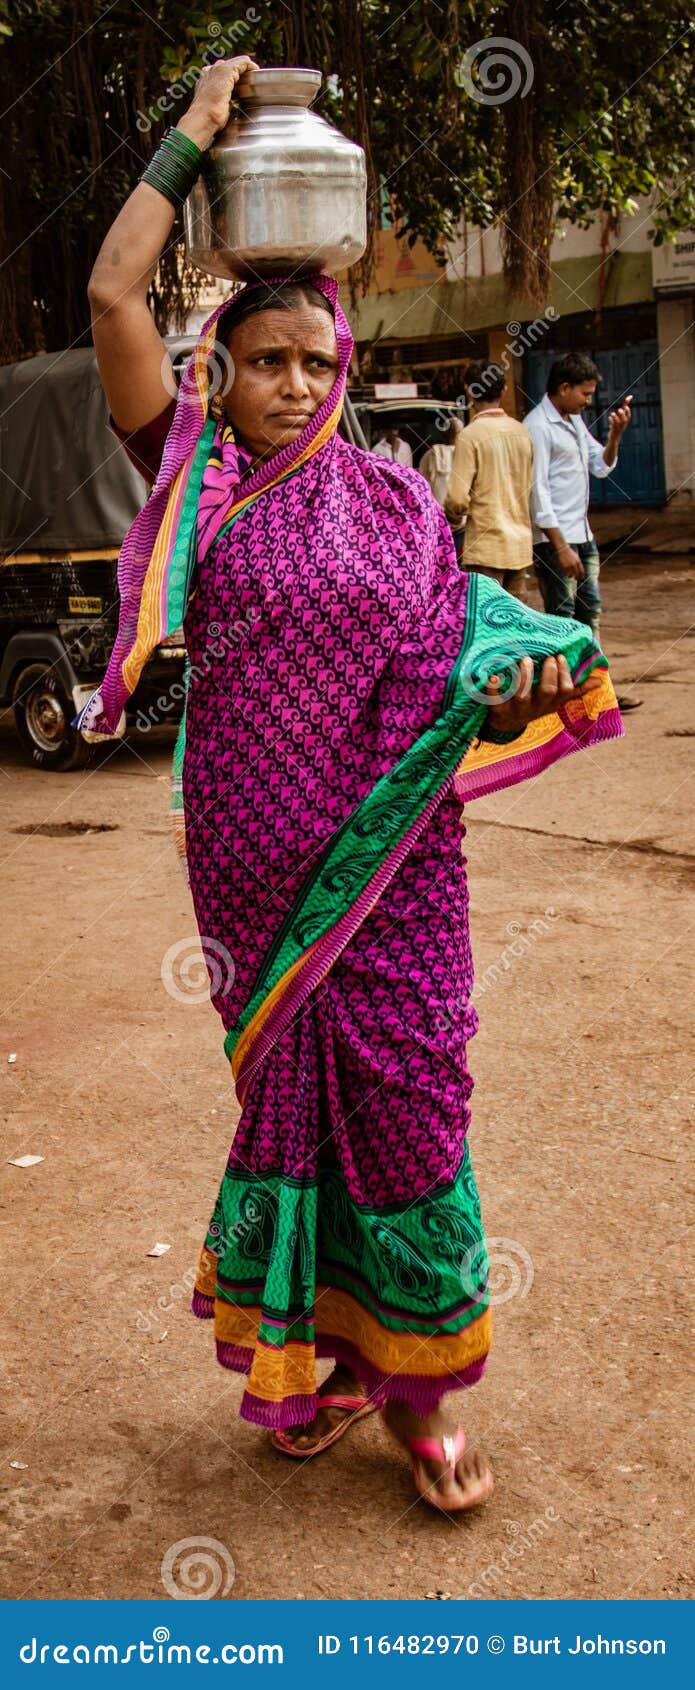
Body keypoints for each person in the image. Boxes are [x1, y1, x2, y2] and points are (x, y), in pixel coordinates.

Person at [77, 56, 623, 1516]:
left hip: (400, 863)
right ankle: (313, 1361)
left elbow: (460, 630)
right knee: (290, 1110)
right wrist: (195, 131)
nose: (298, 385)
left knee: (409, 1098)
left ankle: (424, 1391)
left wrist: (508, 670)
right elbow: (110, 299)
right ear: (221, 371)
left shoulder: (390, 493)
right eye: (269, 361)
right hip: (255, 871)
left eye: (318, 362)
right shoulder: (193, 476)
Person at [524, 353, 640, 709]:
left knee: (590, 611)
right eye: (585, 394)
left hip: (582, 535)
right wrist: (560, 547)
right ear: (564, 388)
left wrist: (615, 436)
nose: (588, 401)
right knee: (561, 617)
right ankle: (562, 696)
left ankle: (597, 688)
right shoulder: (538, 426)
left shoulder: (573, 420)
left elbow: (599, 465)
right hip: (555, 540)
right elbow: (537, 491)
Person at [444, 362, 533, 601]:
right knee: (514, 625)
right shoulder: (521, 432)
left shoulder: (470, 436)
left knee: (486, 626)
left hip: (485, 549)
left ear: (470, 391)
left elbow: (456, 498)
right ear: (504, 390)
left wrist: (452, 517)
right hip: (519, 547)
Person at [419, 417, 463, 506]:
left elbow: (422, 480)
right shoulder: (466, 453)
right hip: (459, 507)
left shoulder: (430, 454)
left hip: (438, 507)